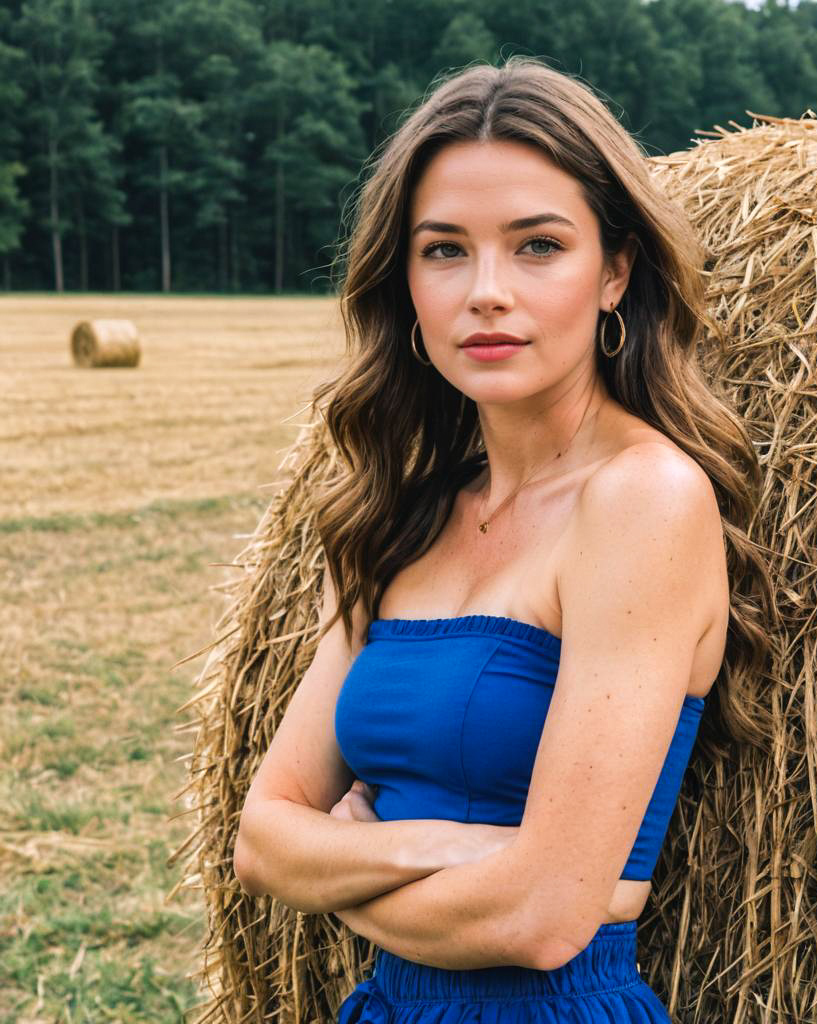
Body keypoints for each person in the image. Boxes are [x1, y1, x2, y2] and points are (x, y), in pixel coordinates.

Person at [233, 55, 774, 1023]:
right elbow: (263, 842)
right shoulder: (394, 516)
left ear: (613, 271)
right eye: (444, 250)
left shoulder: (643, 500)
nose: (485, 291)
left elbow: (543, 919)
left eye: (536, 246)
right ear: (405, 281)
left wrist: (346, 859)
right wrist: (451, 847)